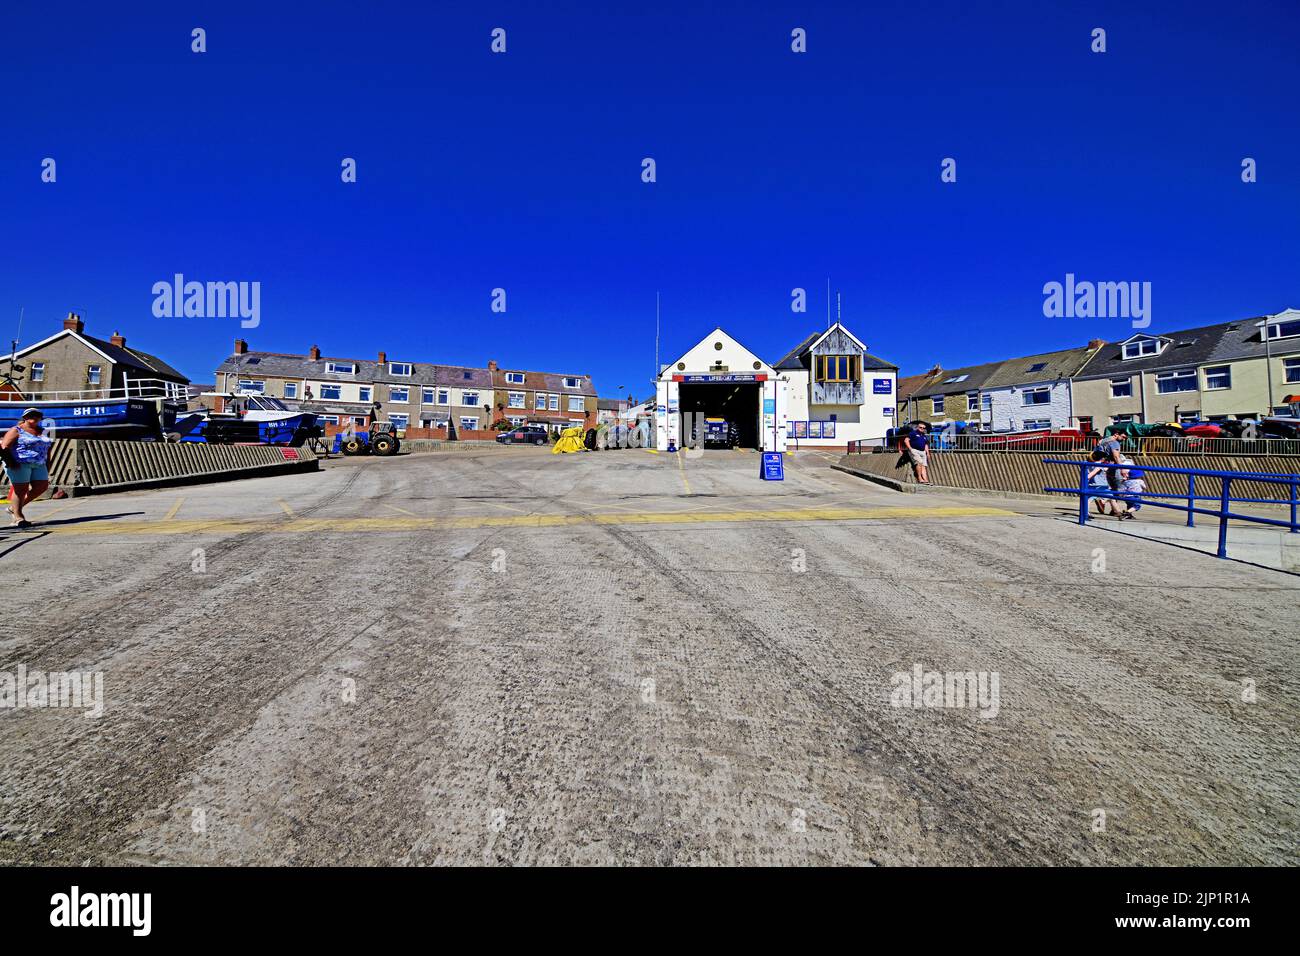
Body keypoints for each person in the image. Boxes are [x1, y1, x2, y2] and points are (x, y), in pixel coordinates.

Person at [2, 409, 54, 527]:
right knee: (20, 489)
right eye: (30, 415)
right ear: (24, 417)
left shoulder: (44, 432)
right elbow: (4, 447)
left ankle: (13, 508)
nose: (34, 417)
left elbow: (48, 450)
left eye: (37, 416)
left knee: (42, 486)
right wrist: (11, 462)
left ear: (40, 418)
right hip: (19, 463)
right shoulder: (16, 430)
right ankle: (18, 517)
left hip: (39, 463)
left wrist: (48, 465)